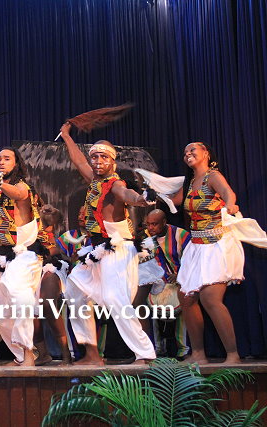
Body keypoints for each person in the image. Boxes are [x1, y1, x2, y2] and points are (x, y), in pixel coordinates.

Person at [60, 122, 156, 365]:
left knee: (115, 300)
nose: (97, 161)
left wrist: (141, 199)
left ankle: (145, 353)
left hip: (117, 248)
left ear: (113, 161)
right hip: (96, 249)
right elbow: (78, 160)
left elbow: (128, 195)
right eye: (94, 156)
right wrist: (66, 136)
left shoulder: (116, 183)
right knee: (74, 289)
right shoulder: (94, 180)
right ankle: (92, 353)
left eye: (103, 157)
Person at [169, 142, 244, 364]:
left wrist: (230, 205)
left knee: (210, 298)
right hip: (196, 245)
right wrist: (147, 194)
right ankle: (198, 354)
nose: (188, 154)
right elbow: (173, 202)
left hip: (216, 243)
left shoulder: (213, 176)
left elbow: (229, 193)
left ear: (206, 154)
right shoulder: (190, 181)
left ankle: (233, 355)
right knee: (186, 298)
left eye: (192, 150)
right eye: (185, 152)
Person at [0, 146, 45, 367]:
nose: (1, 162)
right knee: (1, 311)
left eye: (6, 159)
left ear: (16, 163)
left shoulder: (22, 186)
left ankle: (29, 354)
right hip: (4, 257)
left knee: (20, 298)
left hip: (24, 255)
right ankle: (20, 356)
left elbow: (18, 194)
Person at [144, 209, 190, 358]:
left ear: (164, 222)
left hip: (180, 283)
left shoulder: (181, 235)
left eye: (154, 224)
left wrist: (180, 275)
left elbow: (192, 260)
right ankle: (158, 349)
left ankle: (183, 349)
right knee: (150, 309)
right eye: (148, 224)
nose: (150, 228)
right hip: (157, 285)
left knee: (183, 308)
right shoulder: (146, 238)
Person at [33, 204, 72, 365]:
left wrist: (53, 212)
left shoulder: (37, 211)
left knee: (47, 303)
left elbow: (55, 218)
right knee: (29, 309)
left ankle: (66, 354)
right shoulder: (5, 217)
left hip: (50, 265)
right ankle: (43, 354)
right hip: (26, 265)